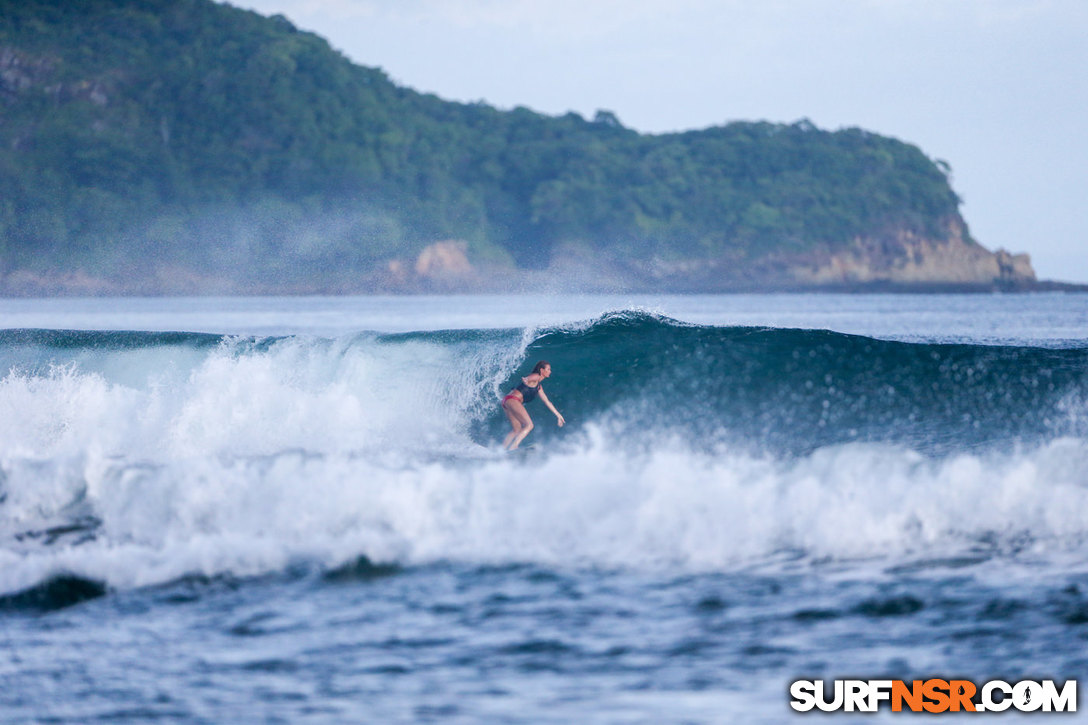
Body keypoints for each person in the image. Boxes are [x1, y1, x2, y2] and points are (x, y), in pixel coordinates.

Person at [501, 360, 564, 450]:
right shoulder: (537, 376)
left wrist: (558, 415)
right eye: (548, 369)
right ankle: (513, 446)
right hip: (513, 400)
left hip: (507, 401)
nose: (550, 371)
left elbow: (547, 401)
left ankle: (501, 450)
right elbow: (530, 378)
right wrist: (526, 379)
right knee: (529, 425)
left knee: (516, 429)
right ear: (542, 370)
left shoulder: (538, 387)